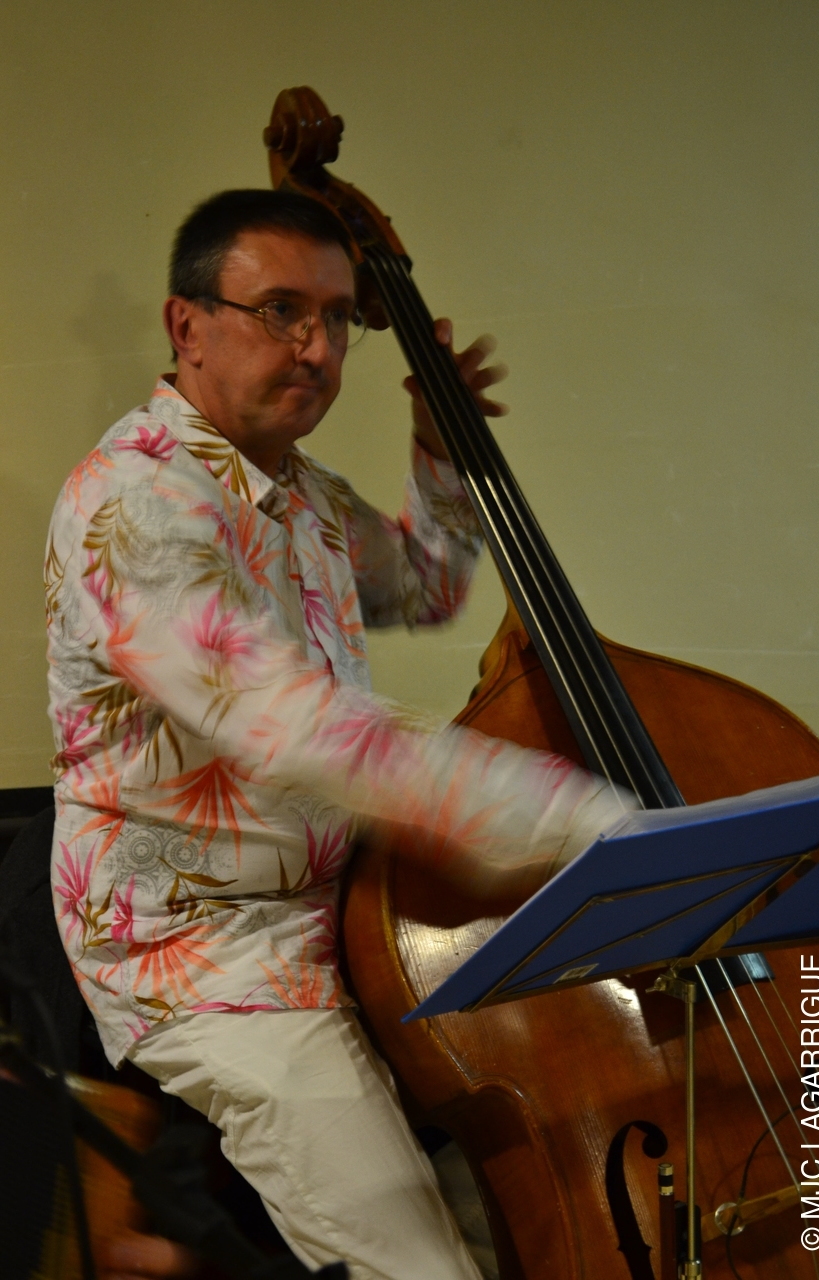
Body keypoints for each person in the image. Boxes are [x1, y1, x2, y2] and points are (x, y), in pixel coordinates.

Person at [46, 188, 630, 1280]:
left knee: (533, 1177)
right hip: (209, 949)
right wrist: (578, 821)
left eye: (336, 317)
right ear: (187, 325)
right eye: (279, 311)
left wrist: (438, 449)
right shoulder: (130, 505)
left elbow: (425, 585)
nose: (316, 347)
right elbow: (295, 728)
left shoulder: (302, 494)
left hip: (348, 910)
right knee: (417, 1264)